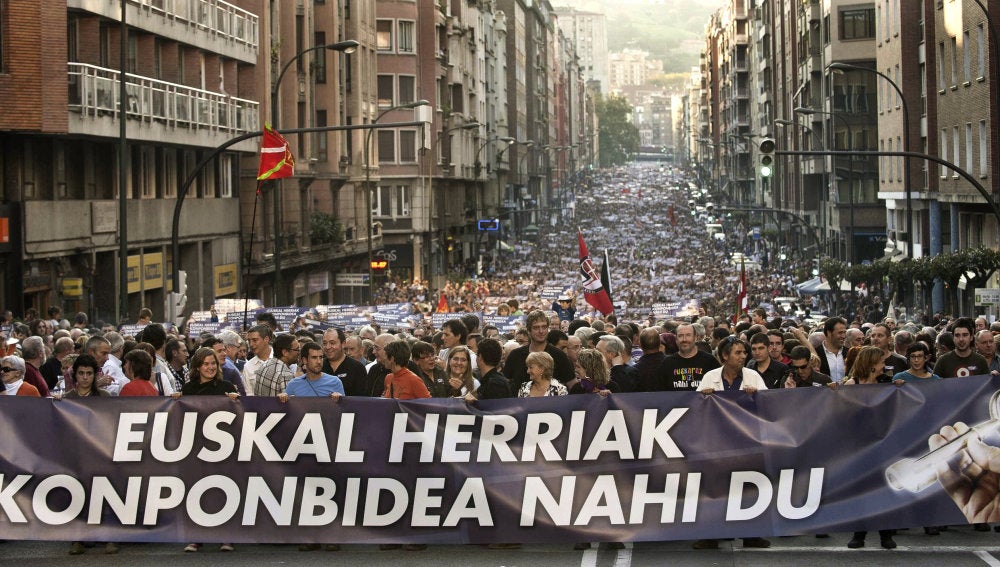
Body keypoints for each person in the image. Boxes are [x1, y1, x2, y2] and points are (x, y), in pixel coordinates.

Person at [178, 347, 237, 553]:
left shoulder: (226, 386)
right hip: (196, 448)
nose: (210, 367)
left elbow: (242, 413)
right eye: (206, 364)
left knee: (223, 490)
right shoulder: (189, 388)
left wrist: (235, 402)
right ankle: (196, 537)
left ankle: (226, 536)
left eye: (213, 363)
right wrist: (175, 401)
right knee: (196, 491)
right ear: (197, 367)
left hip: (223, 449)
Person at [501, 310, 575, 392]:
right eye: (536, 327)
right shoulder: (515, 355)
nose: (541, 331)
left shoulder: (559, 355)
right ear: (529, 330)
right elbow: (504, 386)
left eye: (544, 327)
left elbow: (572, 384)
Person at [653, 323, 720, 391]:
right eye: (680, 336)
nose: (684, 339)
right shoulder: (666, 363)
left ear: (695, 337)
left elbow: (720, 389)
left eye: (688, 335)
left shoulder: (710, 361)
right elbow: (660, 394)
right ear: (676, 339)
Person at [697, 336, 768, 395]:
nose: (743, 356)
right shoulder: (710, 377)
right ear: (725, 355)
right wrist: (704, 395)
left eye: (744, 352)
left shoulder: (754, 376)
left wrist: (757, 394)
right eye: (738, 353)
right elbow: (697, 403)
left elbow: (767, 402)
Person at [280, 341, 345, 400]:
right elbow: (286, 408)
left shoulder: (335, 382)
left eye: (321, 357)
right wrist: (282, 398)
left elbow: (344, 409)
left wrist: (339, 400)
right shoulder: (293, 384)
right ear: (305, 360)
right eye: (314, 357)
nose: (319, 361)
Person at [321, 328, 368, 397]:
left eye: (332, 343)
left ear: (343, 344)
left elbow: (362, 400)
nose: (328, 347)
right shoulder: (319, 366)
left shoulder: (357, 368)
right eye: (325, 343)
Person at [241, 324, 274, 395]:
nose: (251, 344)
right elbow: (249, 395)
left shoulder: (282, 359)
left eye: (255, 340)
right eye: (249, 341)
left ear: (266, 339)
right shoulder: (248, 366)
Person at [818, 317, 849, 383]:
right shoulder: (817, 353)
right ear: (829, 333)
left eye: (844, 332)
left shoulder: (849, 352)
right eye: (840, 333)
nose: (843, 336)